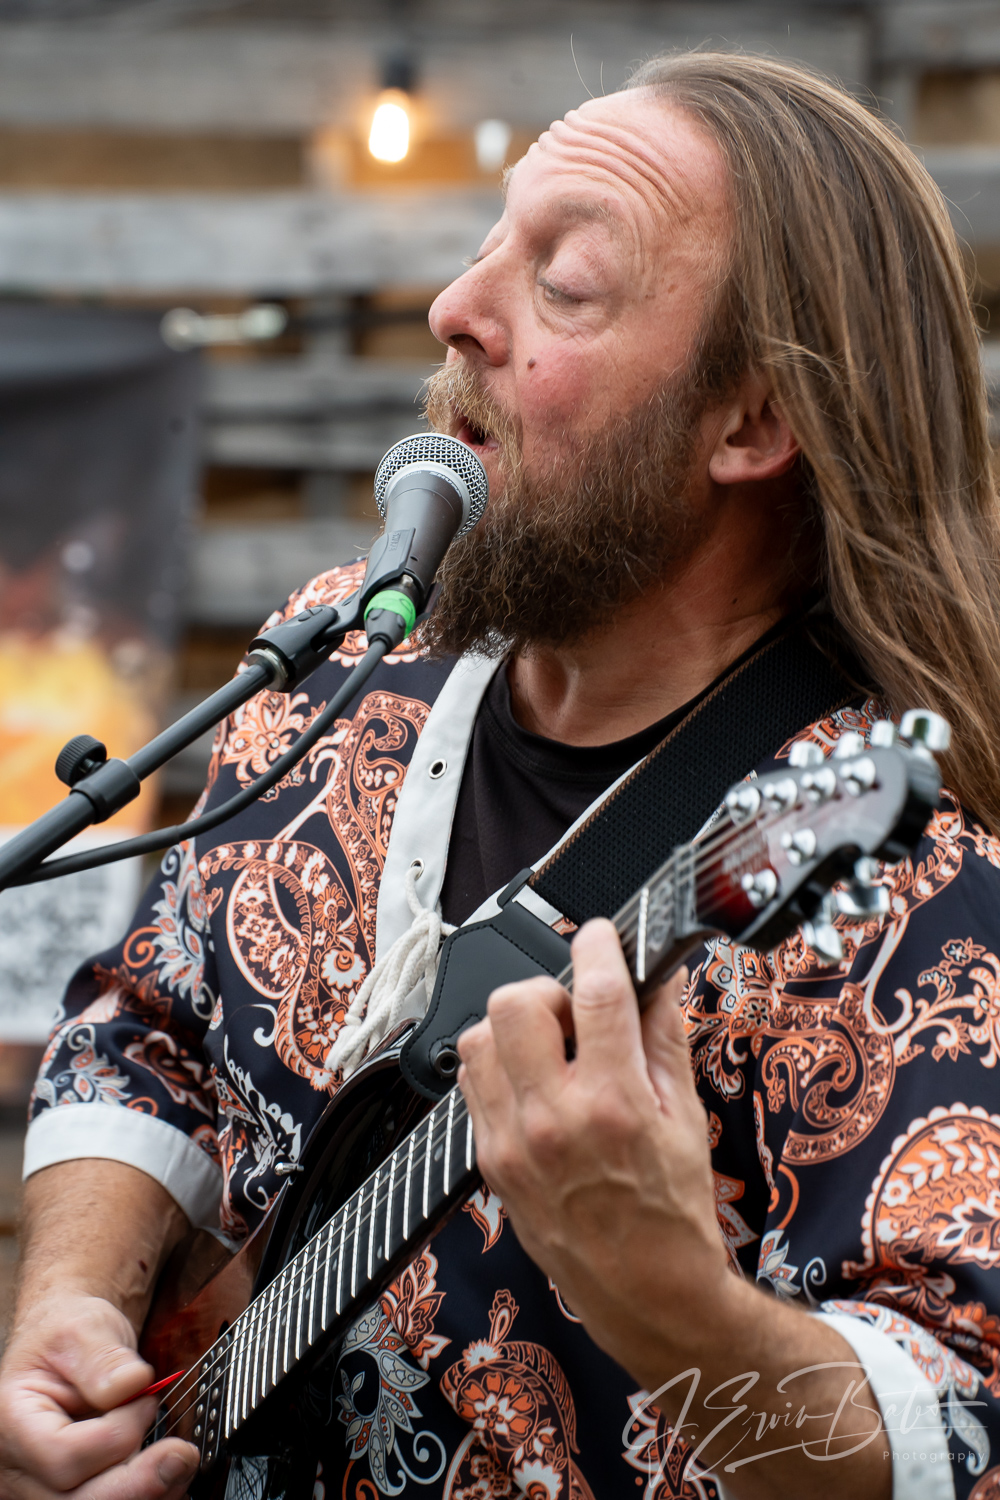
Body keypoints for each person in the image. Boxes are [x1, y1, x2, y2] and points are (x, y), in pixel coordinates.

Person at [2, 50, 1000, 1500]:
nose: (455, 307)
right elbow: (148, 1023)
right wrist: (70, 1305)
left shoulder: (921, 881)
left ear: (750, 425)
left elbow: (961, 1438)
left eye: (566, 281)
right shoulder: (340, 663)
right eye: (491, 240)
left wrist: (671, 1299)